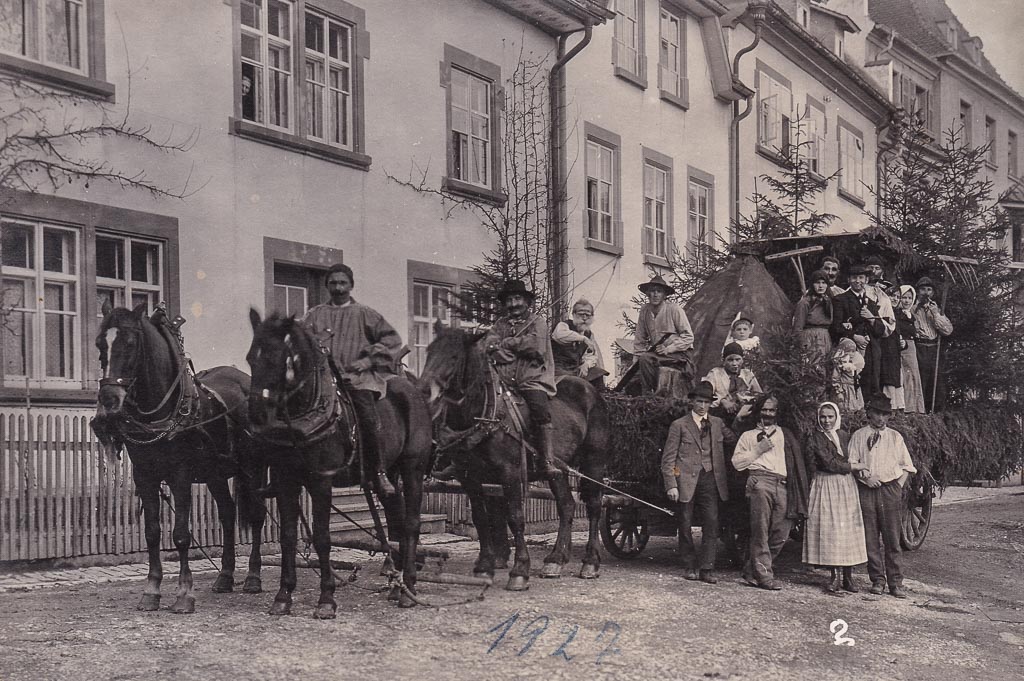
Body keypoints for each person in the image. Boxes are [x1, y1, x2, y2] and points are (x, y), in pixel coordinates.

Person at [303, 263, 406, 497]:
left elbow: (392, 340)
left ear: (351, 285)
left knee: (368, 418)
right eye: (333, 283)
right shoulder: (314, 315)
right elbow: (301, 341)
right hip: (324, 382)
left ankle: (378, 473)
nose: (338, 288)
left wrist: (368, 361)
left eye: (343, 283)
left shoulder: (364, 313)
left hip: (358, 379)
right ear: (326, 285)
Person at [482, 280, 561, 478]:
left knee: (539, 410)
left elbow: (536, 347)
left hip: (532, 379)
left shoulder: (538, 322)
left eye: (517, 298)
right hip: (502, 380)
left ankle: (547, 460)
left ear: (526, 301)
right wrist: (503, 350)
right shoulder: (500, 324)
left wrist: (508, 343)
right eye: (509, 300)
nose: (513, 304)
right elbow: (489, 346)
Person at [732, 396, 810, 590]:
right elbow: (737, 463)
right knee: (760, 530)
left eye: (772, 410)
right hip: (760, 482)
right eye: (764, 409)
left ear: (777, 412)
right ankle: (765, 577)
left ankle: (752, 570)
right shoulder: (748, 436)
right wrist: (758, 450)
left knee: (782, 530)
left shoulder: (786, 434)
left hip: (783, 484)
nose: (768, 413)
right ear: (759, 411)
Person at [661, 381, 733, 584]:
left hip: (711, 479)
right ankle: (689, 564)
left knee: (712, 522)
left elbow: (732, 439)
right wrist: (672, 483)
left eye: (706, 402)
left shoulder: (717, 424)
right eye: (699, 401)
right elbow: (669, 459)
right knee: (684, 522)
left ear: (711, 404)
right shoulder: (680, 425)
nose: (702, 406)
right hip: (685, 480)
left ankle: (707, 568)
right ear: (692, 402)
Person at [848, 395, 916, 599]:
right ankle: (877, 580)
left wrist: (897, 486)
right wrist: (865, 478)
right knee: (870, 537)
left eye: (884, 414)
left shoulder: (895, 437)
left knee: (892, 538)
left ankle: (896, 582)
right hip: (867, 489)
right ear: (869, 414)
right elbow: (852, 462)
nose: (880, 418)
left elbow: (907, 466)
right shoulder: (859, 436)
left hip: (890, 491)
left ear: (889, 416)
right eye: (876, 413)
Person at [802, 402, 870, 593]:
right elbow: (829, 463)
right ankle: (834, 576)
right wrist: (854, 466)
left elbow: (855, 454)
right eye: (823, 417)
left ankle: (848, 577)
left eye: (830, 416)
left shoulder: (844, 436)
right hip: (826, 484)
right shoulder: (815, 438)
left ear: (836, 417)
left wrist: (860, 469)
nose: (826, 421)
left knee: (847, 530)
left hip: (846, 485)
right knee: (831, 530)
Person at [832, 264, 890, 400]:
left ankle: (869, 415)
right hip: (851, 350)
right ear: (848, 280)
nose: (858, 281)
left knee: (871, 382)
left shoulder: (871, 303)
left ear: (866, 280)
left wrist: (871, 318)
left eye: (861, 277)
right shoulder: (840, 299)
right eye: (854, 278)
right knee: (852, 382)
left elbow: (881, 330)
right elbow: (835, 328)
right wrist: (854, 337)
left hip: (871, 349)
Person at [634, 275, 695, 395]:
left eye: (659, 291)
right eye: (652, 291)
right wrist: (636, 359)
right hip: (658, 355)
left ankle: (650, 393)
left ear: (665, 295)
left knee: (647, 359)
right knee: (643, 362)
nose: (655, 294)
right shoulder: (645, 311)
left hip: (680, 355)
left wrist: (669, 349)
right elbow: (639, 337)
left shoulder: (674, 309)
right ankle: (649, 394)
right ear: (647, 293)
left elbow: (689, 337)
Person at [913, 277, 953, 413]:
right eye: (923, 289)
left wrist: (936, 314)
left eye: (929, 290)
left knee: (937, 381)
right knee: (921, 380)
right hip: (919, 347)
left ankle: (937, 413)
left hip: (934, 349)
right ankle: (921, 411)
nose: (926, 293)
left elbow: (947, 331)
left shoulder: (936, 310)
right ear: (918, 291)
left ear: (933, 293)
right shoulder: (912, 309)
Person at [551, 298, 607, 388]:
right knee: (571, 382)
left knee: (598, 373)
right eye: (581, 314)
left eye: (588, 315)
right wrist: (582, 338)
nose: (584, 318)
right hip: (558, 368)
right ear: (573, 314)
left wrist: (586, 364)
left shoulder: (589, 334)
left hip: (576, 368)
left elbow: (591, 354)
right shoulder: (564, 325)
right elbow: (559, 335)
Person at [702, 342, 762, 418]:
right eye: (730, 360)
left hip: (746, 413)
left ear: (742, 360)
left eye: (738, 359)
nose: (734, 363)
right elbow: (704, 395)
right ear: (723, 361)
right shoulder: (715, 373)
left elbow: (759, 395)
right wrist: (722, 401)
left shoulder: (747, 374)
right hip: (721, 413)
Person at [895, 285, 925, 414]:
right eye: (904, 297)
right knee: (905, 375)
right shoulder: (896, 314)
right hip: (902, 346)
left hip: (911, 346)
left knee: (913, 375)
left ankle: (917, 408)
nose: (906, 301)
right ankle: (907, 407)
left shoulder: (911, 315)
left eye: (909, 298)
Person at [792, 270, 833, 357]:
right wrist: (802, 348)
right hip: (810, 339)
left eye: (824, 283)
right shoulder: (805, 303)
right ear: (812, 284)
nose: (821, 286)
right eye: (817, 283)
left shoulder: (829, 301)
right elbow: (798, 328)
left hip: (826, 338)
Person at [831, 338, 865, 413]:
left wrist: (857, 377)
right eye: (849, 351)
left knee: (856, 405)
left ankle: (855, 419)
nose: (851, 354)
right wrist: (839, 391)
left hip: (853, 386)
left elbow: (855, 373)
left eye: (853, 351)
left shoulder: (855, 361)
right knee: (845, 406)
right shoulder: (840, 363)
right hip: (845, 387)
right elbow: (835, 377)